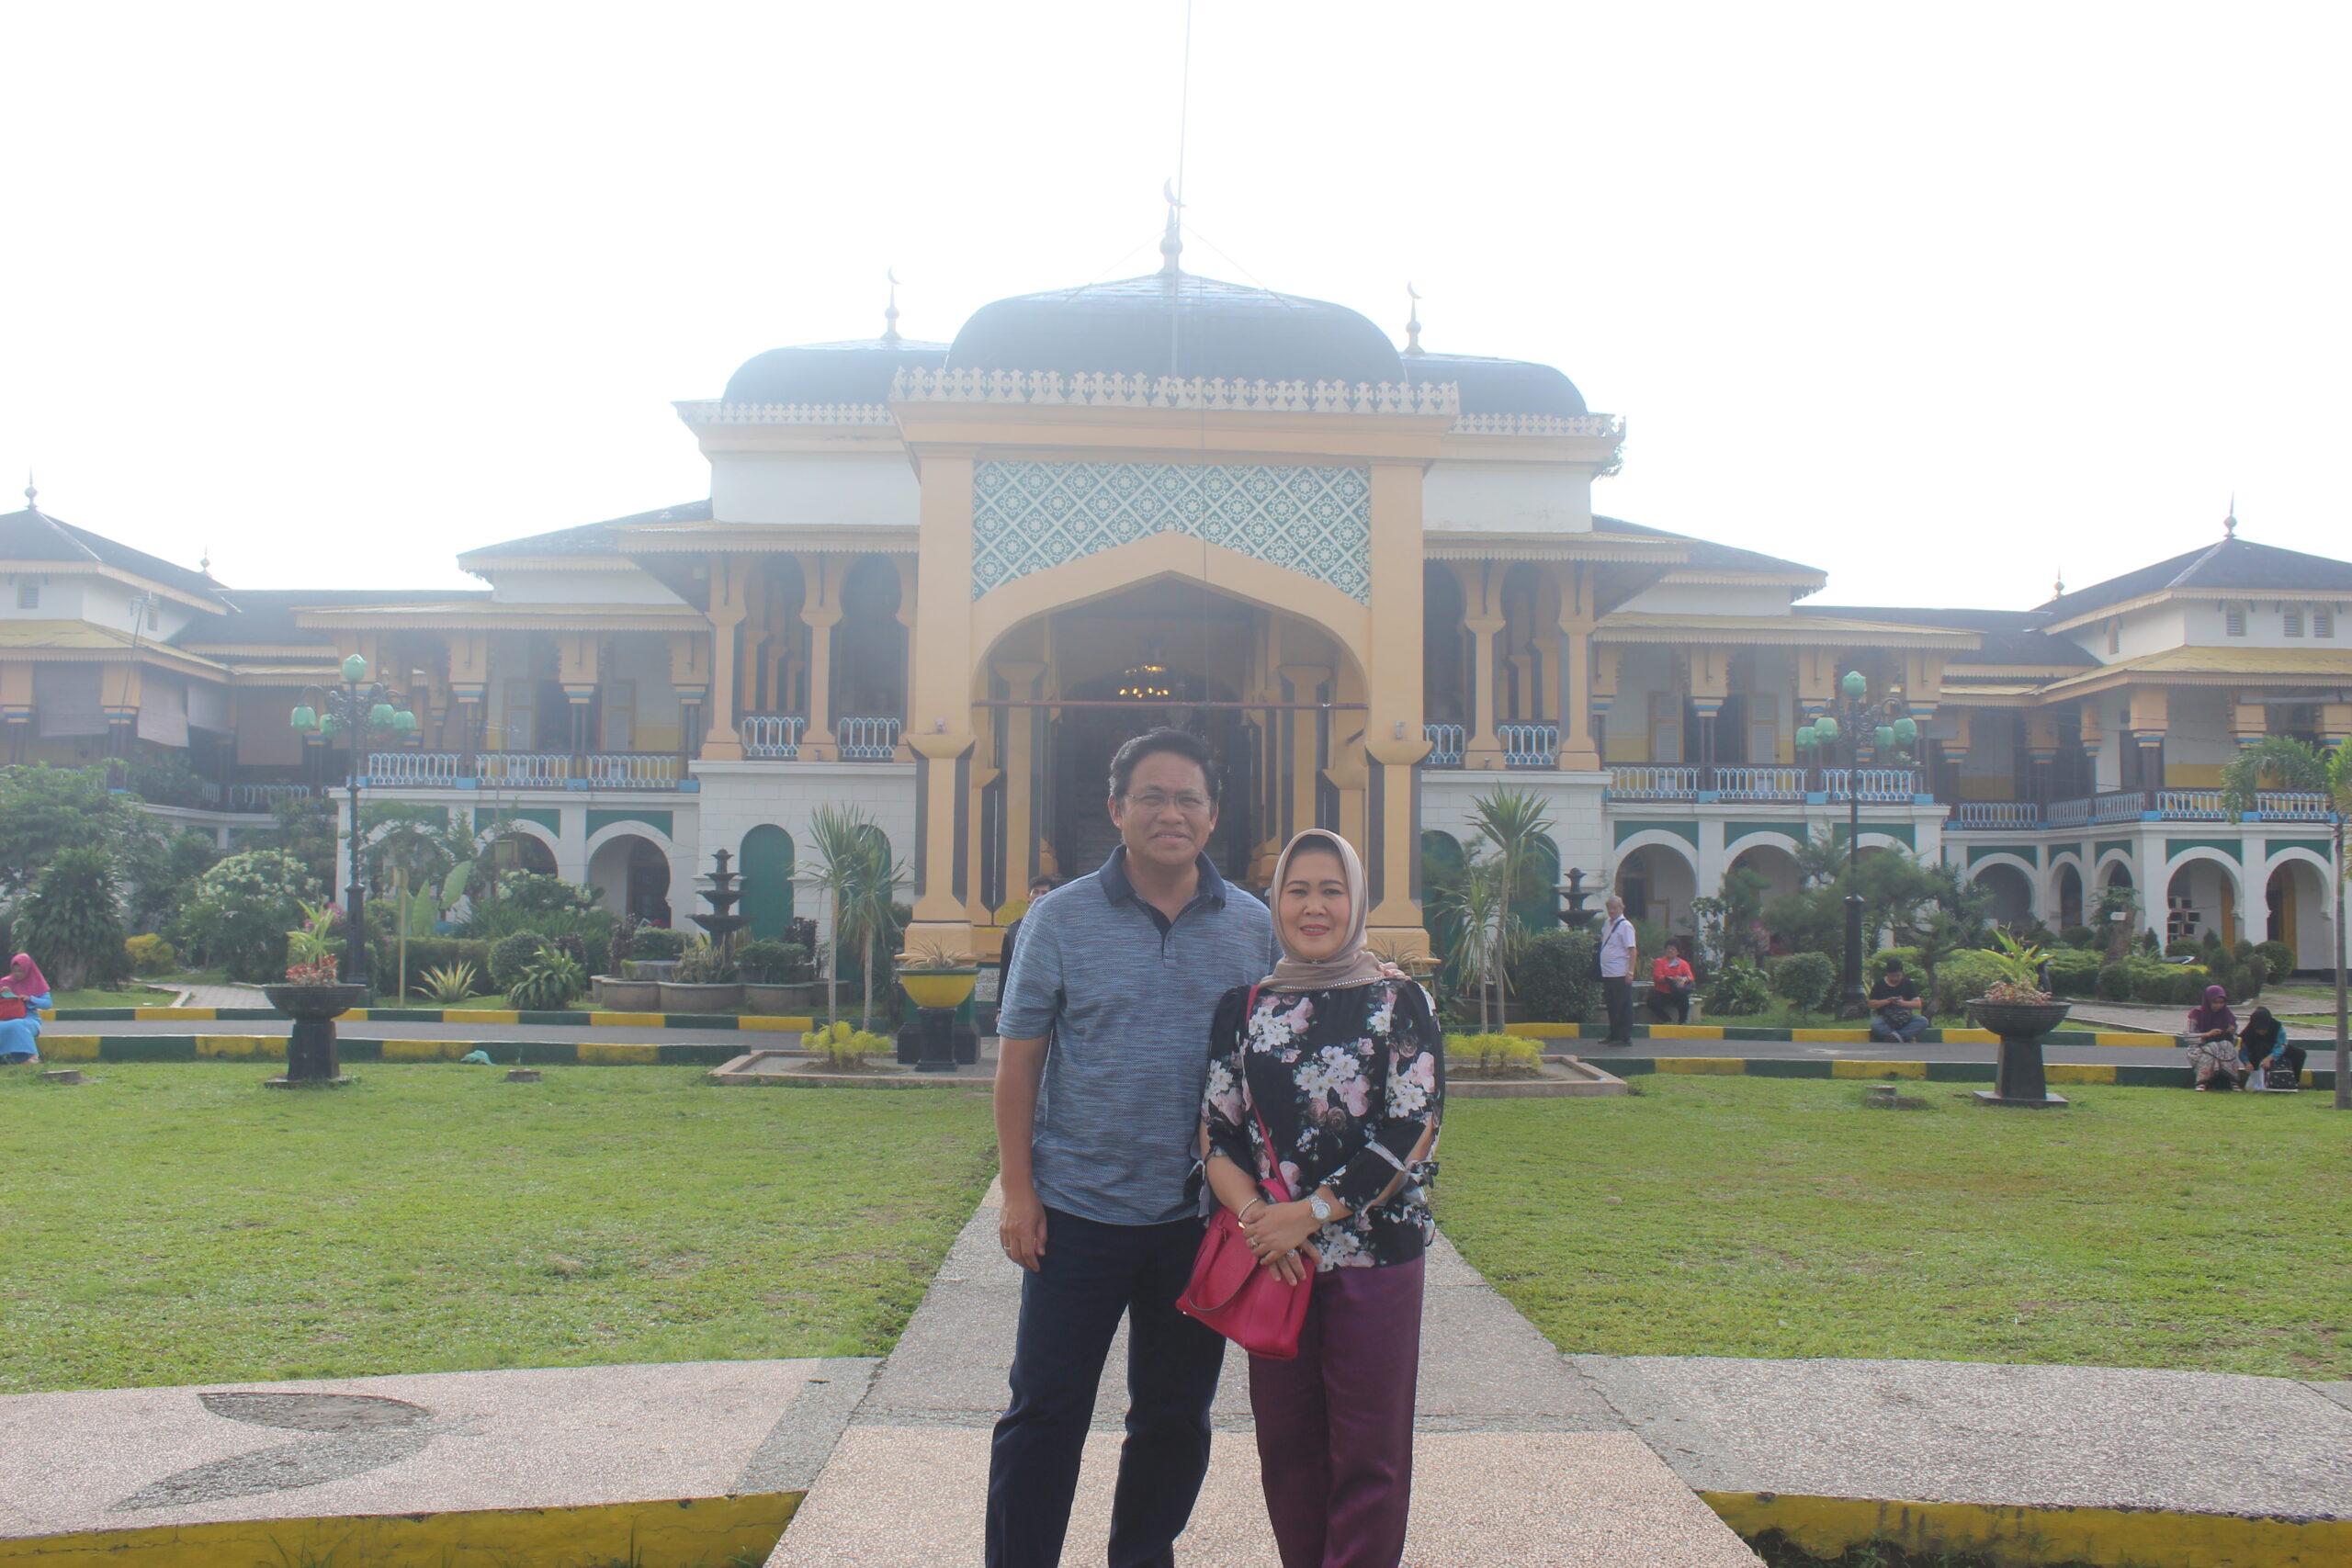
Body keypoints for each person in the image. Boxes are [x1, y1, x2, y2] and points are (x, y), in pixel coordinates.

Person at [987, 728, 1277, 1568]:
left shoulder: (1251, 926)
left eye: (1188, 797)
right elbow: (1019, 1062)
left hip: (1197, 1218)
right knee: (1044, 1410)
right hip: (1076, 1212)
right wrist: (1018, 1189)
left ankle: (1142, 1555)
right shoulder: (1060, 918)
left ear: (1213, 815)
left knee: (1175, 1415)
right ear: (1117, 808)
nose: (1170, 812)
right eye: (1151, 796)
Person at [1203, 829, 1442, 1568]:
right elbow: (1217, 1135)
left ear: (1356, 900)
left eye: (1330, 890)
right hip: (1278, 1261)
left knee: (1369, 1453)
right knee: (1288, 1446)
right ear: (1275, 903)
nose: (1314, 906)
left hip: (1374, 1254)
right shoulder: (1243, 1008)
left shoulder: (1400, 1000)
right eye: (1298, 890)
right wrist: (1256, 1219)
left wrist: (1310, 1212)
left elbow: (1412, 1130)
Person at [996, 874, 1057, 998]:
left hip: (1048, 994)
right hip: (1020, 994)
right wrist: (1000, 1008)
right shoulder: (1014, 929)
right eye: (1035, 892)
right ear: (1028, 896)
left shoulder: (1057, 929)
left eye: (1044, 893)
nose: (1039, 897)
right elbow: (1006, 968)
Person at [2184, 984, 2239, 1090]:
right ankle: (2202, 1082)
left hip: (2222, 1050)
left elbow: (2235, 1039)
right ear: (2208, 1001)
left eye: (2221, 1003)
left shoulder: (2227, 1015)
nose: (2218, 1006)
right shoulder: (2197, 1014)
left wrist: (2231, 1031)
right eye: (2215, 1002)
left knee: (2226, 1045)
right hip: (2200, 1048)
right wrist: (2207, 1034)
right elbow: (2187, 1036)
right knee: (2212, 1047)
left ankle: (2233, 1081)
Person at [1597, 896, 1636, 1045]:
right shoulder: (1607, 923)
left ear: (1622, 908)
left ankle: (1626, 1036)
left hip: (1620, 972)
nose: (1612, 911)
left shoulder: (1625, 926)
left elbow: (1632, 950)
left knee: (1624, 1004)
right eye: (1609, 909)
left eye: (1615, 908)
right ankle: (1614, 1033)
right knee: (1612, 1004)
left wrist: (1630, 971)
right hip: (1607, 972)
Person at [0, 953, 51, 1065]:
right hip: (5, 1017)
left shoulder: (37, 983)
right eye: (15, 971)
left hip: (29, 1019)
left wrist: (30, 999)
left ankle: (32, 1057)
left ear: (28, 970)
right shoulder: (5, 982)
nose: (17, 974)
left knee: (18, 1024)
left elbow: (47, 1004)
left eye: (21, 971)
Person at [2237, 1004, 2305, 1088]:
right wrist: (2246, 1062)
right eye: (2258, 1030)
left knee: (2300, 1053)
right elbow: (2243, 1050)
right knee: (2260, 1046)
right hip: (2257, 1055)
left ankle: (2294, 1082)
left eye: (2264, 1029)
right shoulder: (2248, 1032)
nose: (2261, 1032)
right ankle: (2263, 1083)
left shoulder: (2277, 1027)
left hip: (2274, 1051)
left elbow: (2281, 1045)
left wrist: (2270, 1058)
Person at [1868, 959, 1929, 1043]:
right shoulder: (1879, 985)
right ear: (1887, 974)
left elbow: (1918, 1004)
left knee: (1923, 1021)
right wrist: (1887, 1001)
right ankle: (1903, 1037)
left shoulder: (1908, 984)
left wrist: (1902, 1003)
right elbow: (1871, 1004)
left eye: (1898, 976)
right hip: (1886, 1020)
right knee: (1875, 1024)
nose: (1895, 978)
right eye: (1892, 976)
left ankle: (1896, 1037)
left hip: (1906, 1019)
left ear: (1902, 973)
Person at [1645, 938, 1695, 1024]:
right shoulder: (1659, 961)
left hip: (1677, 992)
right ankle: (1667, 1020)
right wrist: (1671, 979)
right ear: (1665, 950)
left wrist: (1683, 979)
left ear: (1678, 952)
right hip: (1662, 992)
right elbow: (1657, 976)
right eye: (1668, 948)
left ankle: (1682, 1021)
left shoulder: (1683, 963)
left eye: (1673, 949)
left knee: (1684, 999)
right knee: (1651, 1001)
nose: (1670, 951)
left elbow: (1691, 977)